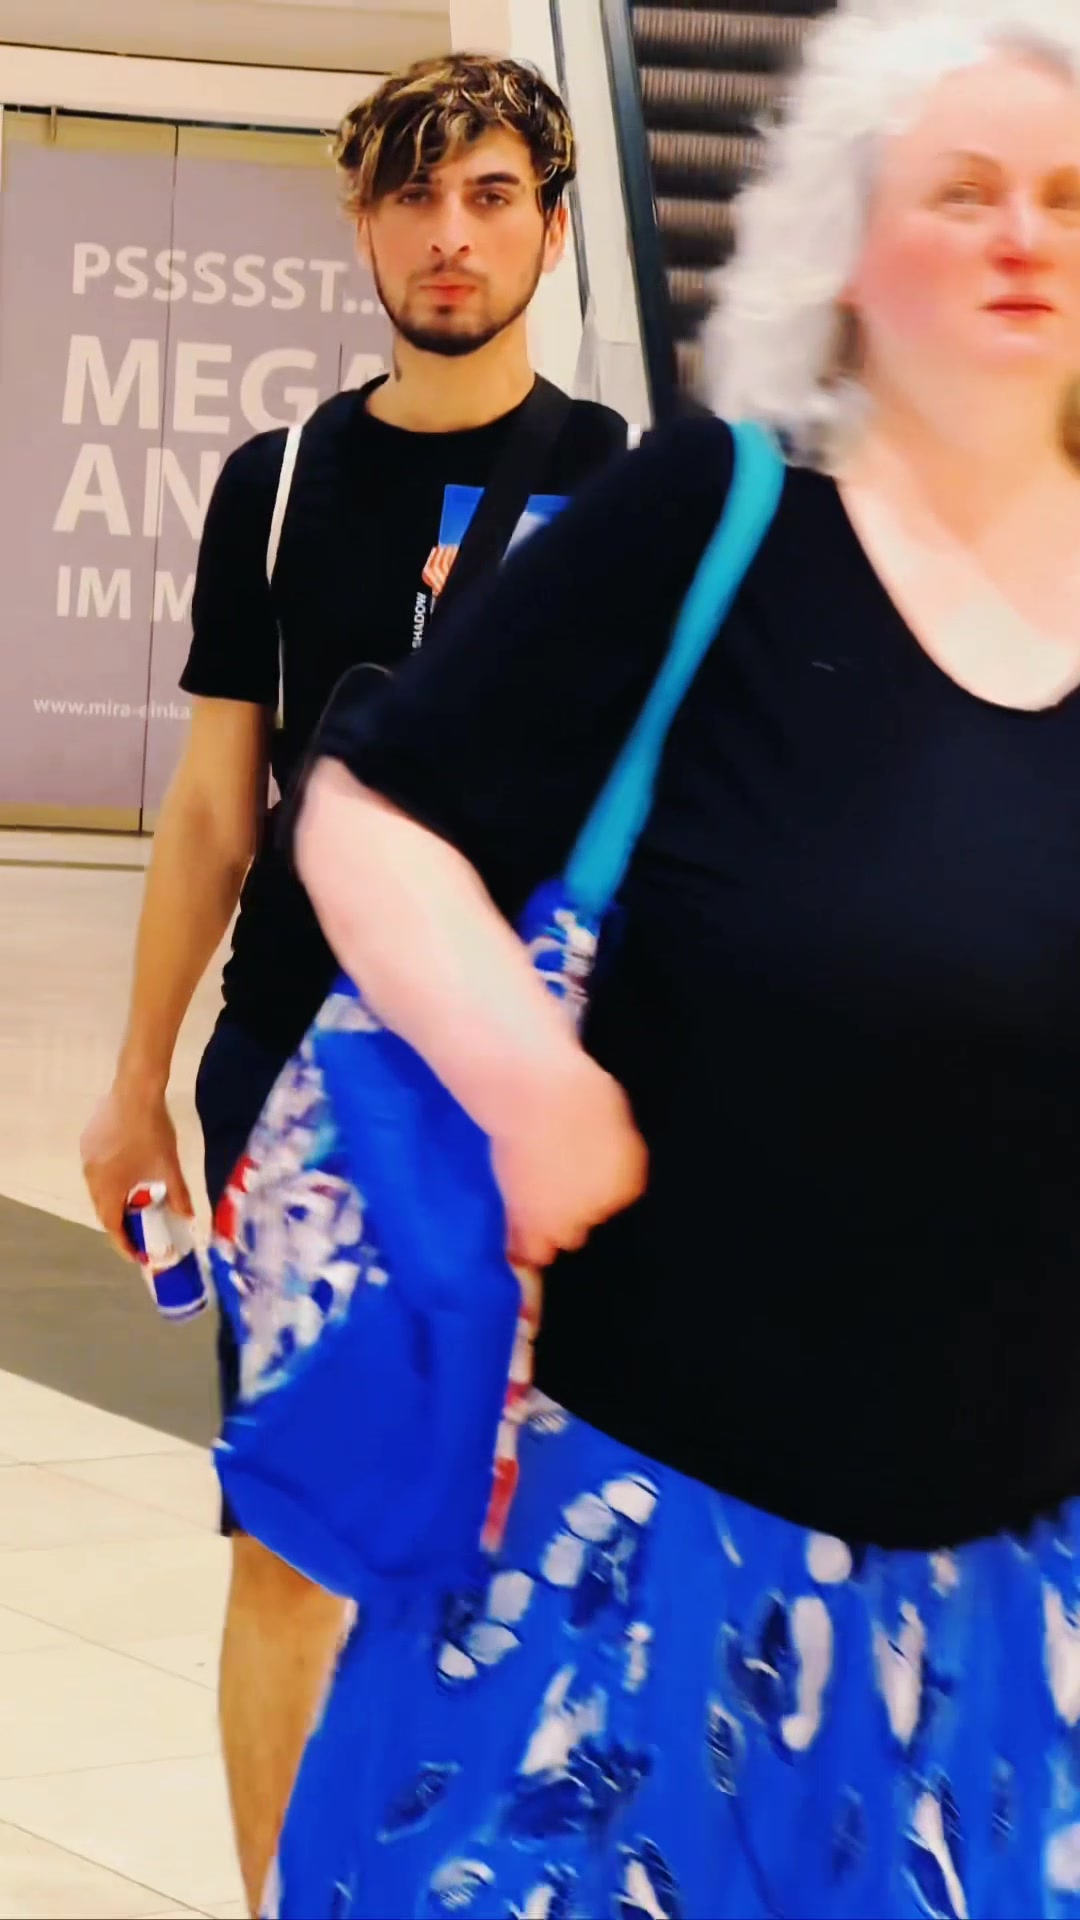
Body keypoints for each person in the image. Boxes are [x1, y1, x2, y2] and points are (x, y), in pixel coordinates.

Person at [273, 3, 1080, 1914]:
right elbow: (368, 809)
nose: (1022, 236)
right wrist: (525, 1074)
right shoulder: (723, 515)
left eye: (1067, 199)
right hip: (642, 1580)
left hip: (1013, 1626)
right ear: (849, 240)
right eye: (963, 192)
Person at [79, 51, 627, 1915]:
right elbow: (214, 808)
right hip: (292, 1077)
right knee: (289, 1542)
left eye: (490, 195)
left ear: (553, 225)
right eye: (413, 194)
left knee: (527, 1547)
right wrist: (135, 1075)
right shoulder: (281, 481)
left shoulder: (622, 492)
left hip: (528, 1093)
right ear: (363, 222)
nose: (449, 234)